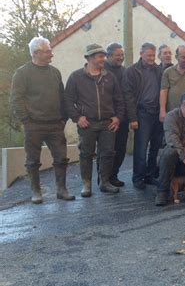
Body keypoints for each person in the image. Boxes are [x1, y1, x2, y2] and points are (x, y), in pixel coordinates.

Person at [10, 36, 75, 204]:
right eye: (48, 52)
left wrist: (64, 118)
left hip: (55, 124)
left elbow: (63, 96)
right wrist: (26, 120)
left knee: (61, 159)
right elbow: (16, 99)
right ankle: (36, 192)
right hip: (34, 125)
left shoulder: (55, 72)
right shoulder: (22, 73)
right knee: (32, 161)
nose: (51, 54)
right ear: (36, 53)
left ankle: (62, 190)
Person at [65, 44, 125, 197]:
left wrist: (118, 117)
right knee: (86, 154)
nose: (103, 59)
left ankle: (104, 182)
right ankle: (86, 184)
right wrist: (77, 117)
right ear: (90, 58)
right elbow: (67, 100)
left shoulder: (109, 77)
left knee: (108, 153)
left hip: (107, 123)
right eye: (100, 56)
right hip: (87, 123)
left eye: (103, 56)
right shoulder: (76, 77)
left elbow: (119, 100)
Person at [123, 42, 164, 189]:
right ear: (141, 54)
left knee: (155, 147)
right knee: (140, 149)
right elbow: (128, 96)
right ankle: (138, 178)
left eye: (153, 55)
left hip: (157, 113)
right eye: (148, 55)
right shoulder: (132, 71)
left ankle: (150, 175)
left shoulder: (158, 70)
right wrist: (132, 118)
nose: (151, 58)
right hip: (142, 113)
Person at [100, 42, 127, 187]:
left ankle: (113, 176)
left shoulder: (124, 71)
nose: (121, 58)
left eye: (122, 55)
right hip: (106, 118)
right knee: (106, 150)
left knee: (120, 149)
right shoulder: (101, 70)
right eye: (118, 55)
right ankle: (103, 178)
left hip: (122, 117)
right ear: (109, 56)